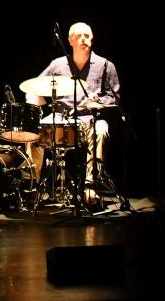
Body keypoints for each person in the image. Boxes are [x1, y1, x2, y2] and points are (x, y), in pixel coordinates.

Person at [24, 22, 120, 206]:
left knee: (100, 130)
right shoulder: (58, 64)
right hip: (61, 117)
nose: (84, 39)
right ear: (70, 40)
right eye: (79, 36)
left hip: (91, 116)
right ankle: (33, 185)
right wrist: (32, 102)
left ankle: (91, 187)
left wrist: (98, 102)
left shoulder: (106, 65)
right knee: (36, 134)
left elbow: (114, 98)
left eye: (88, 35)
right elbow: (34, 86)